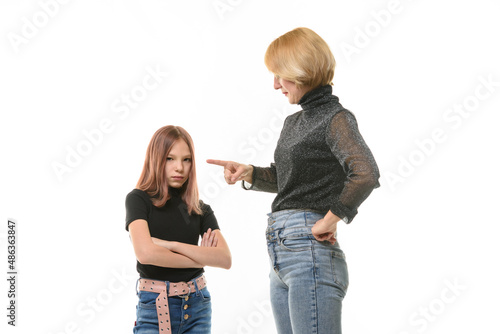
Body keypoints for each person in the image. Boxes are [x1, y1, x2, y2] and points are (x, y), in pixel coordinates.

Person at [207, 27, 380, 334]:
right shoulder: (294, 121)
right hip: (280, 252)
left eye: (280, 75)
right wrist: (250, 172)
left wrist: (331, 218)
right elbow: (289, 179)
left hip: (308, 249)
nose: (275, 85)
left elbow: (365, 172)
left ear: (301, 71)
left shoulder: (336, 118)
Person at [126, 125, 231, 334]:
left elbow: (225, 259)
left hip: (197, 305)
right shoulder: (138, 200)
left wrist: (170, 245)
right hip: (155, 306)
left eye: (186, 159)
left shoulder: (200, 209)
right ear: (156, 159)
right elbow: (146, 254)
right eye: (170, 159)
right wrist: (203, 257)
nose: (179, 168)